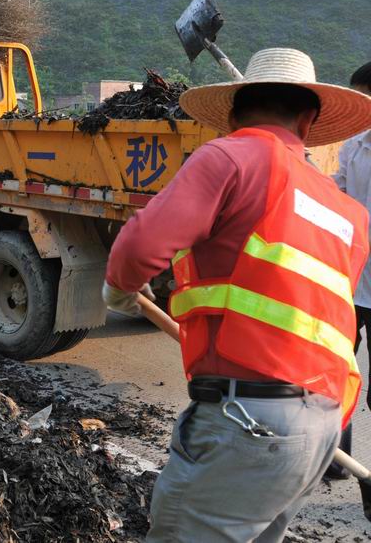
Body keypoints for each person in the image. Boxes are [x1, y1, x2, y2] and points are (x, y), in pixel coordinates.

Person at [103, 48, 371, 542]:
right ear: (308, 122)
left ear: (230, 115)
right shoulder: (347, 211)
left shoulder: (231, 156)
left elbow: (139, 246)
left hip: (246, 421)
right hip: (321, 427)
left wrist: (119, 288)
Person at [325, 61, 371, 478]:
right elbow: (337, 191)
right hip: (350, 283)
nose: (358, 106)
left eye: (363, 98)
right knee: (335, 373)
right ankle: (337, 461)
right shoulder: (355, 146)